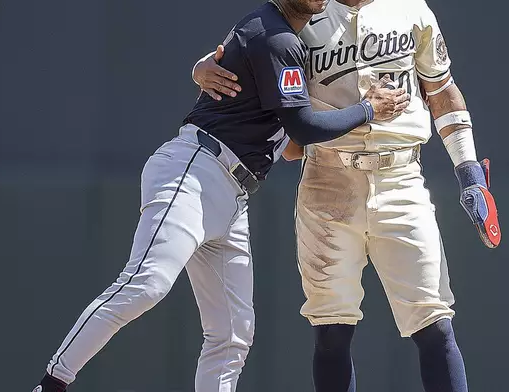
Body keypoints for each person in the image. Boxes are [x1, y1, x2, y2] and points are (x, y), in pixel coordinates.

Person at [31, 1, 410, 391]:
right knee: (147, 283)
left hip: (234, 191)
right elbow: (304, 125)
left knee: (233, 332)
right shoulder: (274, 34)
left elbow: (293, 139)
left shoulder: (289, 37)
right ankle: (52, 383)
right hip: (196, 169)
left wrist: (199, 67)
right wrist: (368, 109)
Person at [192, 0, 501, 391]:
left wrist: (470, 174)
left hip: (400, 176)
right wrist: (201, 65)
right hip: (328, 178)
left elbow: (442, 90)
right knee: (331, 328)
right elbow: (250, 40)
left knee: (434, 323)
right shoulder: (307, 8)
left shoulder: (410, 9)